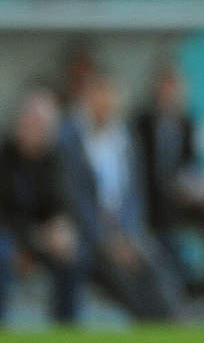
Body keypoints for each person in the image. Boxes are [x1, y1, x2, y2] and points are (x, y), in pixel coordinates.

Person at [57, 68, 182, 320]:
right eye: (99, 96)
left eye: (111, 97)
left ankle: (176, 317)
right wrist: (106, 240)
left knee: (155, 260)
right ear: (87, 98)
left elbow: (135, 194)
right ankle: (157, 321)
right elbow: (74, 198)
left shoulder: (125, 138)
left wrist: (128, 233)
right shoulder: (69, 138)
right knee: (118, 274)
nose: (106, 103)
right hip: (89, 233)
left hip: (126, 230)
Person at [132, 61, 204, 299]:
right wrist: (173, 188)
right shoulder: (141, 123)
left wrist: (201, 190)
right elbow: (141, 171)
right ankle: (178, 282)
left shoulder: (186, 122)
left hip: (181, 196)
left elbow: (190, 166)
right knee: (165, 216)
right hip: (151, 198)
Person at [0, 86, 85, 325]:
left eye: (44, 124)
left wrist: (63, 227)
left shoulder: (55, 160)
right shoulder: (4, 157)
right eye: (33, 120)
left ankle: (65, 330)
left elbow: (65, 204)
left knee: (73, 254)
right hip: (10, 237)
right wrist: (31, 236)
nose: (38, 128)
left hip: (43, 239)